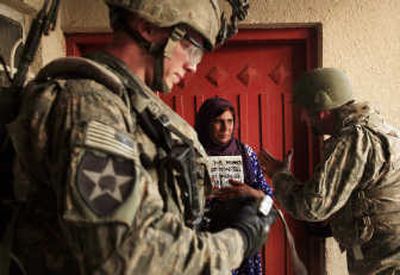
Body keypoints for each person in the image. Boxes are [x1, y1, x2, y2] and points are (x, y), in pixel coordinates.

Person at [5, 0, 277, 274]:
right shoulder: (91, 107)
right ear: (148, 27)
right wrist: (240, 239)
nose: (194, 67)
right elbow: (130, 253)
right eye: (192, 48)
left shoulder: (133, 107)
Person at [258, 67, 400, 274]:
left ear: (322, 111)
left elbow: (312, 205)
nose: (302, 120)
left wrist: (279, 175)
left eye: (304, 112)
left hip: (384, 262)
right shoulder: (381, 127)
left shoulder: (352, 140)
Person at [195, 97, 273, 275]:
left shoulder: (246, 154)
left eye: (230, 121)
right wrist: (201, 196)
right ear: (206, 124)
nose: (225, 128)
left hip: (242, 242)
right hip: (207, 244)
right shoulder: (192, 155)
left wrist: (251, 192)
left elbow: (269, 201)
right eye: (218, 122)